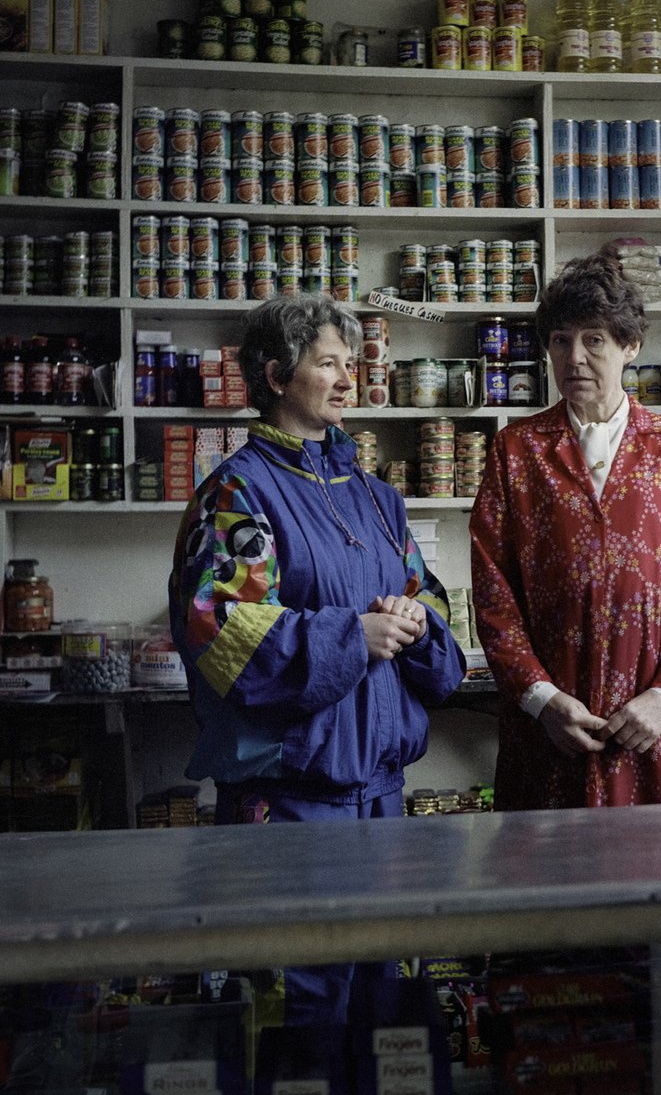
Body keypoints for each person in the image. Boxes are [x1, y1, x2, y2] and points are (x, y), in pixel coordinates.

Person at [168, 294, 465, 1025]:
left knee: (385, 1016)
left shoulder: (376, 499)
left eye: (351, 364)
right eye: (326, 363)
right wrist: (352, 637)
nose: (346, 378)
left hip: (382, 802)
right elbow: (223, 633)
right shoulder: (238, 493)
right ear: (274, 374)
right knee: (297, 1019)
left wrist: (417, 623)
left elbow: (432, 608)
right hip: (293, 809)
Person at [469, 250, 661, 809]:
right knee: (553, 887)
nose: (575, 357)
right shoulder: (516, 451)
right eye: (561, 340)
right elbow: (494, 598)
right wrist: (541, 700)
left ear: (630, 346)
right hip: (552, 740)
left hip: (656, 737)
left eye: (595, 340)